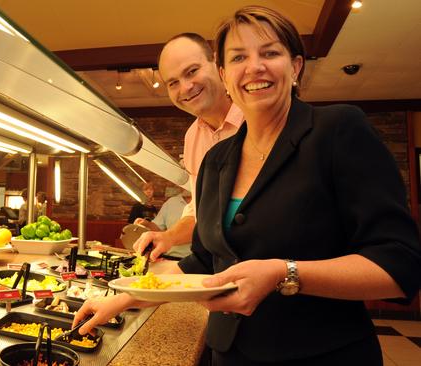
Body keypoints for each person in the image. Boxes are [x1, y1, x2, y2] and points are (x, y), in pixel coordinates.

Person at [75, 6, 421, 365]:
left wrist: (284, 273)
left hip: (322, 354)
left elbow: (399, 265)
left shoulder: (337, 130)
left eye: (270, 53)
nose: (254, 67)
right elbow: (205, 261)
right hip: (230, 353)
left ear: (296, 66)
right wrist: (126, 297)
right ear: (225, 74)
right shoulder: (216, 160)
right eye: (239, 57)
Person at [133, 32, 243, 263]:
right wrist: (167, 237)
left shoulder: (255, 117)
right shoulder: (193, 137)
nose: (185, 87)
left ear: (217, 63)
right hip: (223, 269)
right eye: (173, 83)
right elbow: (201, 211)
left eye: (192, 71)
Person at [135, 188, 192, 258]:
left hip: (197, 261)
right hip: (169, 256)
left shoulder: (205, 202)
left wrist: (169, 237)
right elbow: (158, 228)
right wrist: (147, 224)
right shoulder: (171, 202)